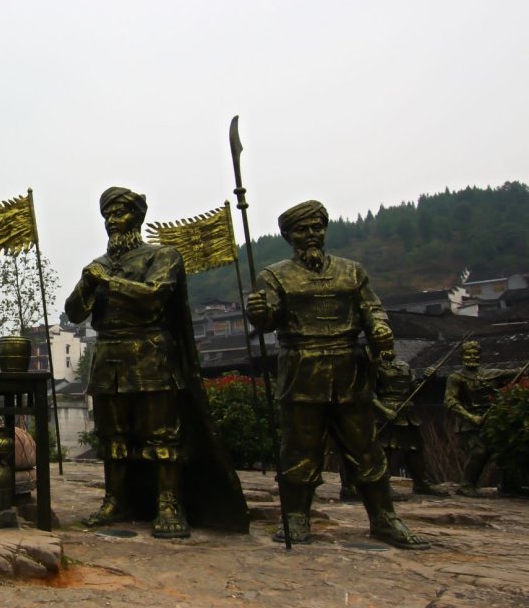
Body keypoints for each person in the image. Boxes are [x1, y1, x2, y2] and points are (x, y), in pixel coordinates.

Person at [64, 187, 248, 539]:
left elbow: (153, 296)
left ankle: (169, 503)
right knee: (112, 437)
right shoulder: (97, 266)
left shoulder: (163, 256)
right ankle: (115, 500)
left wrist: (108, 282)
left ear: (137, 217)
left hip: (151, 355)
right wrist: (86, 285)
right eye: (107, 215)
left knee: (162, 435)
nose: (112, 221)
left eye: (119, 213)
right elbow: (74, 313)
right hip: (108, 357)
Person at [247, 199, 427, 548]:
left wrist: (379, 329)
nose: (311, 234)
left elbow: (372, 308)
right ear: (289, 236)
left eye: (317, 227)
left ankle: (384, 518)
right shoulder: (274, 275)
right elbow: (269, 319)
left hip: (349, 368)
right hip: (302, 369)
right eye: (303, 229)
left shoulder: (352, 271)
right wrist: (259, 312)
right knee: (299, 449)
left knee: (365, 448)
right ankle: (296, 517)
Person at [340, 352, 445, 499]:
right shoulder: (373, 367)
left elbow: (415, 390)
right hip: (385, 412)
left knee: (414, 449)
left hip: (407, 413)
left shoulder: (404, 366)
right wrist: (383, 410)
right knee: (385, 450)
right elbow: (368, 392)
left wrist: (427, 379)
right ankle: (382, 485)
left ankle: (421, 482)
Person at [445, 340, 522, 497]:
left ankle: (509, 485)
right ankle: (466, 485)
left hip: (492, 419)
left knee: (504, 449)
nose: (472, 357)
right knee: (479, 452)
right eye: (468, 354)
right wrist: (470, 416)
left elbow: (516, 372)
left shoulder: (491, 374)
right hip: (469, 422)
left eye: (475, 354)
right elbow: (450, 401)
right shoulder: (456, 378)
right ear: (461, 357)